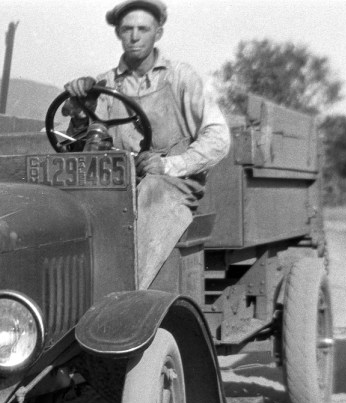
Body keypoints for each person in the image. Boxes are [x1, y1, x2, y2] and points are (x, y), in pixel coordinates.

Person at [64, 0, 230, 289]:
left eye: (144, 28)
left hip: (172, 185)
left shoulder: (180, 77)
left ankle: (121, 294)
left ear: (159, 33)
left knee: (152, 193)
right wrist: (80, 111)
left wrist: (169, 165)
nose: (135, 36)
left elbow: (218, 137)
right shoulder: (103, 84)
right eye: (127, 29)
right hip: (115, 181)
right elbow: (82, 149)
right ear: (118, 33)